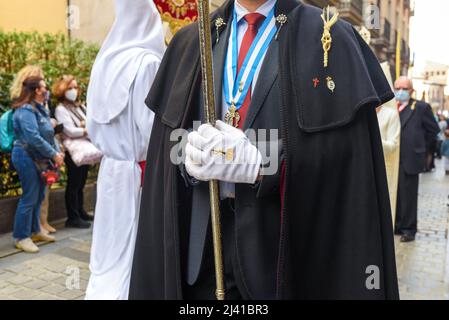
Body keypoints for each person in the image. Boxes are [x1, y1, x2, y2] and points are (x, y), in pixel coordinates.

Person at [130, 0, 399, 299]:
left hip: (282, 260)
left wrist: (263, 163)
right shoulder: (192, 40)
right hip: (200, 260)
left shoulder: (331, 38)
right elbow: (167, 155)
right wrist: (190, 156)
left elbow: (347, 166)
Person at [85, 0, 165, 299]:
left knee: (109, 240)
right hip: (138, 169)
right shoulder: (147, 63)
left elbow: (93, 122)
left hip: (110, 168)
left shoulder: (105, 60)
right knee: (132, 245)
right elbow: (152, 129)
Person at [11, 77, 64, 253]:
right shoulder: (25, 111)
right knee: (29, 197)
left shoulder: (40, 109)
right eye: (43, 86)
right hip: (26, 156)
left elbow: (48, 134)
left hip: (40, 158)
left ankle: (35, 231)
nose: (46, 89)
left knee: (39, 196)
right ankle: (21, 237)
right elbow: (33, 138)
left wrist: (56, 152)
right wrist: (54, 153)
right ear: (36, 90)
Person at [394, 76, 440, 242]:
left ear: (411, 91)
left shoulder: (420, 107)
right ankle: (397, 225)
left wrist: (420, 149)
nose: (400, 92)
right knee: (396, 194)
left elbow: (433, 131)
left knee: (408, 196)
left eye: (404, 89)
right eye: (397, 88)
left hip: (410, 158)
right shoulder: (392, 107)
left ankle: (409, 229)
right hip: (393, 159)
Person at [54, 75, 93, 229]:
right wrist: (85, 129)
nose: (74, 91)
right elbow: (69, 130)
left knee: (81, 181)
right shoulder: (60, 108)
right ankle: (72, 216)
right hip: (73, 150)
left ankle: (80, 210)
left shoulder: (80, 106)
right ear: (63, 90)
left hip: (85, 148)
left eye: (76, 88)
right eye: (70, 88)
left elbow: (90, 121)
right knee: (74, 183)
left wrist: (84, 128)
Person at [377, 62, 401, 224]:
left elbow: (393, 145)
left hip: (384, 168)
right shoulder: (363, 114)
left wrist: (376, 141)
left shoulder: (390, 115)